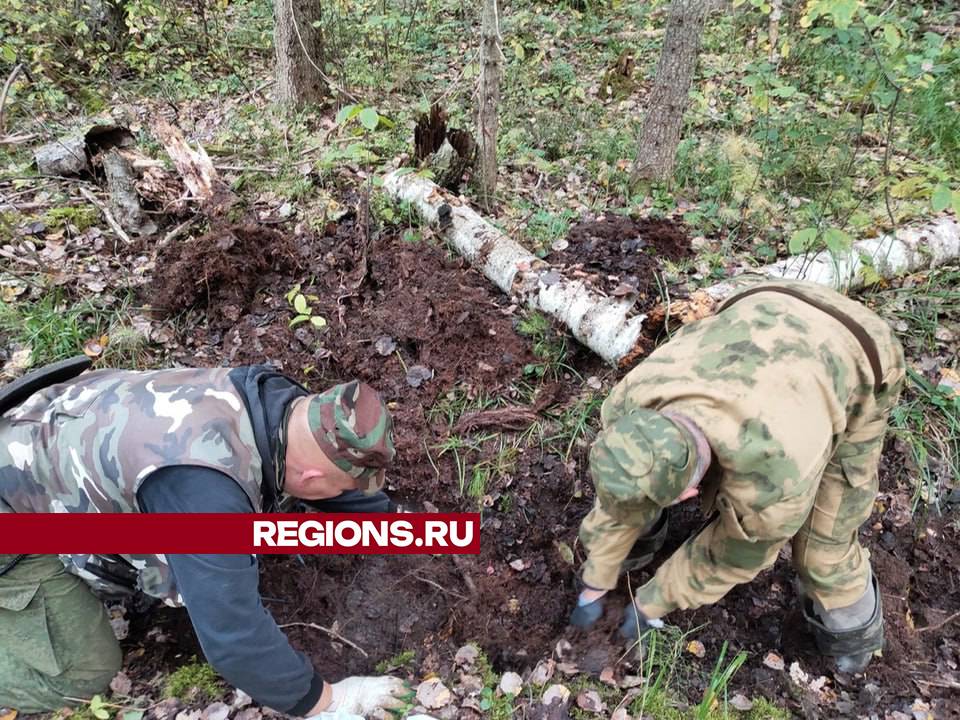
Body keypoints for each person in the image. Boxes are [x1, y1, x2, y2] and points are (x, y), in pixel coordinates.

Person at [0, 364, 408, 716]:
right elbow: (233, 637)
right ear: (312, 480)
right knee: (84, 673)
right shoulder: (204, 496)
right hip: (15, 519)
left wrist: (404, 528)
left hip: (49, 436)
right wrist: (326, 700)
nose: (342, 498)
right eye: (337, 490)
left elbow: (337, 484)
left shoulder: (282, 407)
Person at [569, 277, 905, 674]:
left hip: (861, 352)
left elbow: (729, 556)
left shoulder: (774, 483)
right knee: (636, 482)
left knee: (823, 547)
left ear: (689, 494)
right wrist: (597, 576)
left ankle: (852, 639)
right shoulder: (629, 399)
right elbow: (624, 484)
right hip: (764, 301)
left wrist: (652, 601)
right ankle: (636, 546)